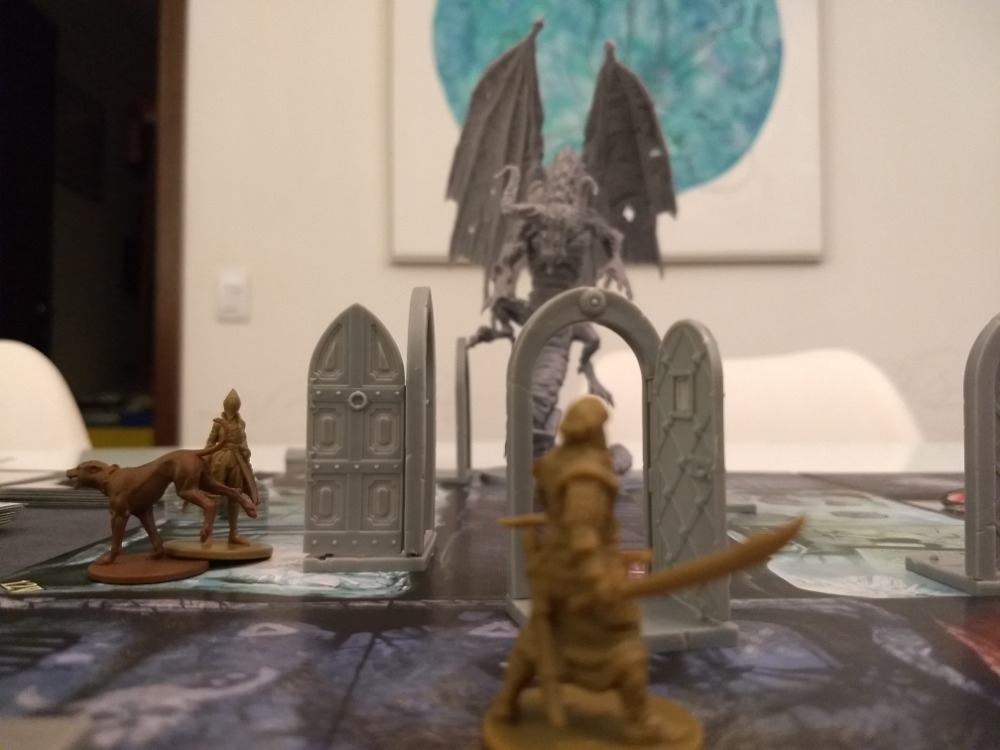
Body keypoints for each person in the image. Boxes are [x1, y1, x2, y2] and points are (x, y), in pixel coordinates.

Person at [203, 389, 258, 545]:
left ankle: (233, 534)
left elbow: (243, 441)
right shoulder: (218, 423)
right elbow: (210, 441)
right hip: (219, 460)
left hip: (236, 460)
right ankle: (207, 533)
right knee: (212, 496)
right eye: (231, 403)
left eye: (236, 403)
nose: (233, 404)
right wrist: (205, 457)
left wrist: (245, 451)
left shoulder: (241, 423)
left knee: (235, 495)